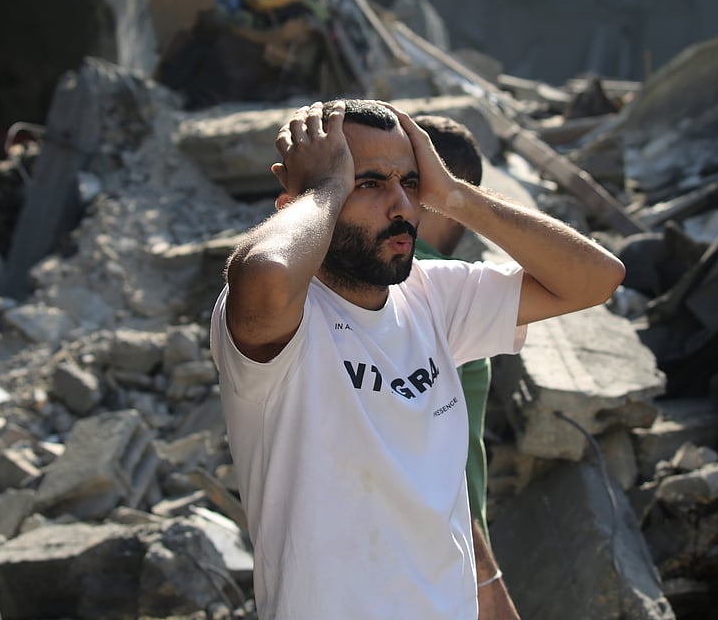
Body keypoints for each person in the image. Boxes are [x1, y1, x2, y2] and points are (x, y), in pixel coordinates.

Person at [210, 99, 624, 620]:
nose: (401, 206)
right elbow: (267, 275)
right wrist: (323, 188)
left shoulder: (434, 297)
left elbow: (596, 278)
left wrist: (452, 194)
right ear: (301, 198)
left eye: (409, 182)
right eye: (367, 183)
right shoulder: (286, 321)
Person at [412, 114, 518, 619]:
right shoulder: (442, 287)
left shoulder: (355, 280)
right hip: (444, 565)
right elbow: (593, 277)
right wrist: (487, 580)